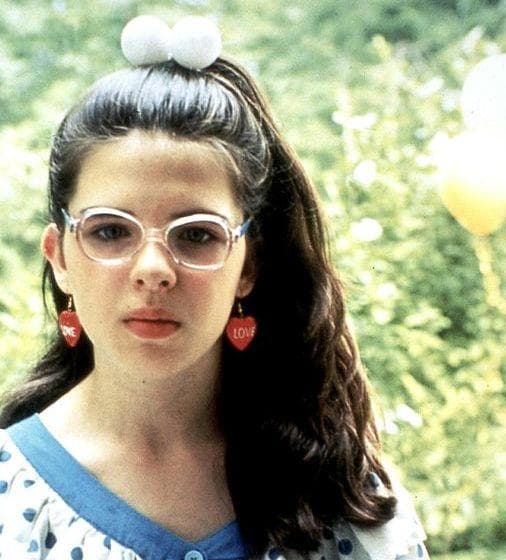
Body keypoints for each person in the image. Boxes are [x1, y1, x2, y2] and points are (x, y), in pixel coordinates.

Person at [0, 15, 429, 560]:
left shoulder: (344, 496)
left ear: (249, 264)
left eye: (197, 235)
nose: (153, 269)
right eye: (110, 231)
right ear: (59, 257)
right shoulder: (11, 499)